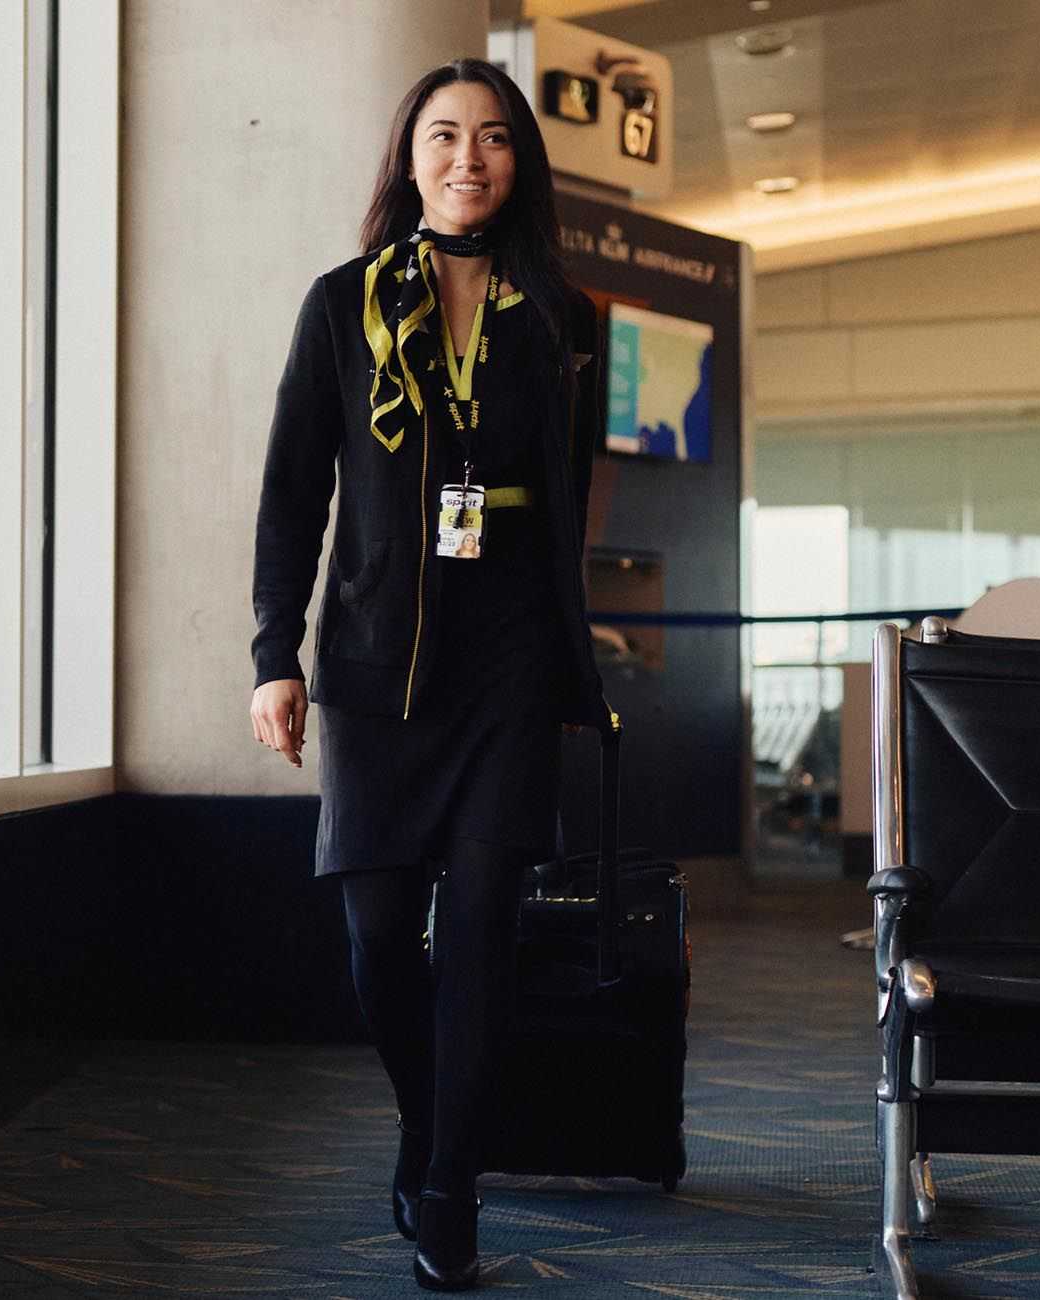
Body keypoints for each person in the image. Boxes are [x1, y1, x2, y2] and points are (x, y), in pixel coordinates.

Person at [250, 57, 608, 1292]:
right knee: (374, 938)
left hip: (506, 649)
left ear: (521, 162)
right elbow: (295, 492)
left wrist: (572, 653)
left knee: (484, 935)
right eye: (446, 136)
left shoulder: (566, 315)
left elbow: (568, 502)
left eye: (495, 138)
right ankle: (425, 1124)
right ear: (408, 157)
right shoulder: (341, 303)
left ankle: (451, 1184)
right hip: (370, 656)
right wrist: (270, 657)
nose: (470, 159)